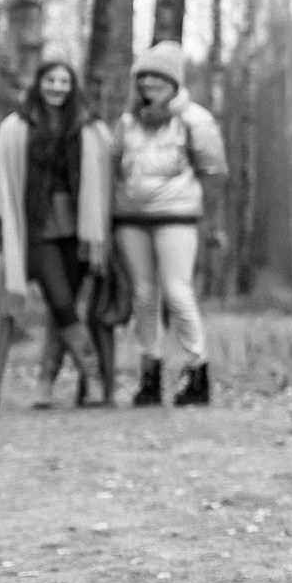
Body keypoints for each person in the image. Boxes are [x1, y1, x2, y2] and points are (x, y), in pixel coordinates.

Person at [0, 54, 114, 406]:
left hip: (81, 231)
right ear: (39, 84)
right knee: (60, 300)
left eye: (64, 81)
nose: (57, 87)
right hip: (35, 228)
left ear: (73, 87)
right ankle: (93, 374)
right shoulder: (16, 126)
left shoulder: (90, 127)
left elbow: (110, 175)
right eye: (50, 80)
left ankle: (46, 383)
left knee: (62, 308)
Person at [112, 41, 227, 407]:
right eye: (143, 76)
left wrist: (214, 224)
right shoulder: (128, 122)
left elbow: (214, 174)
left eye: (157, 76)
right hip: (131, 219)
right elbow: (113, 167)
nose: (149, 83)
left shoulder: (196, 121)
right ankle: (150, 375)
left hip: (177, 218)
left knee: (178, 293)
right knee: (143, 296)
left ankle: (197, 371)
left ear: (174, 81)